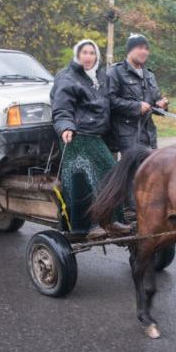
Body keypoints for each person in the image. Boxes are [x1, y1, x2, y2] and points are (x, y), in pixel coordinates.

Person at [51, 39, 126, 237]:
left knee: (111, 174)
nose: (88, 56)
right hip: (75, 137)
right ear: (77, 55)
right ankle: (88, 227)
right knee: (84, 178)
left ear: (97, 56)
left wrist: (141, 106)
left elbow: (113, 102)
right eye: (84, 52)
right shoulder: (66, 78)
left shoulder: (101, 77)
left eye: (92, 53)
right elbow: (61, 109)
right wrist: (65, 127)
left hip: (96, 136)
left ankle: (114, 220)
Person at [107, 33, 169, 152]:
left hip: (149, 133)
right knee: (134, 169)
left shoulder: (149, 75)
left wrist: (162, 105)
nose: (144, 52)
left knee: (151, 169)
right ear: (129, 50)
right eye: (140, 48)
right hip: (127, 134)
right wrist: (136, 106)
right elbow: (109, 100)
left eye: (146, 49)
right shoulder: (115, 72)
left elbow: (155, 100)